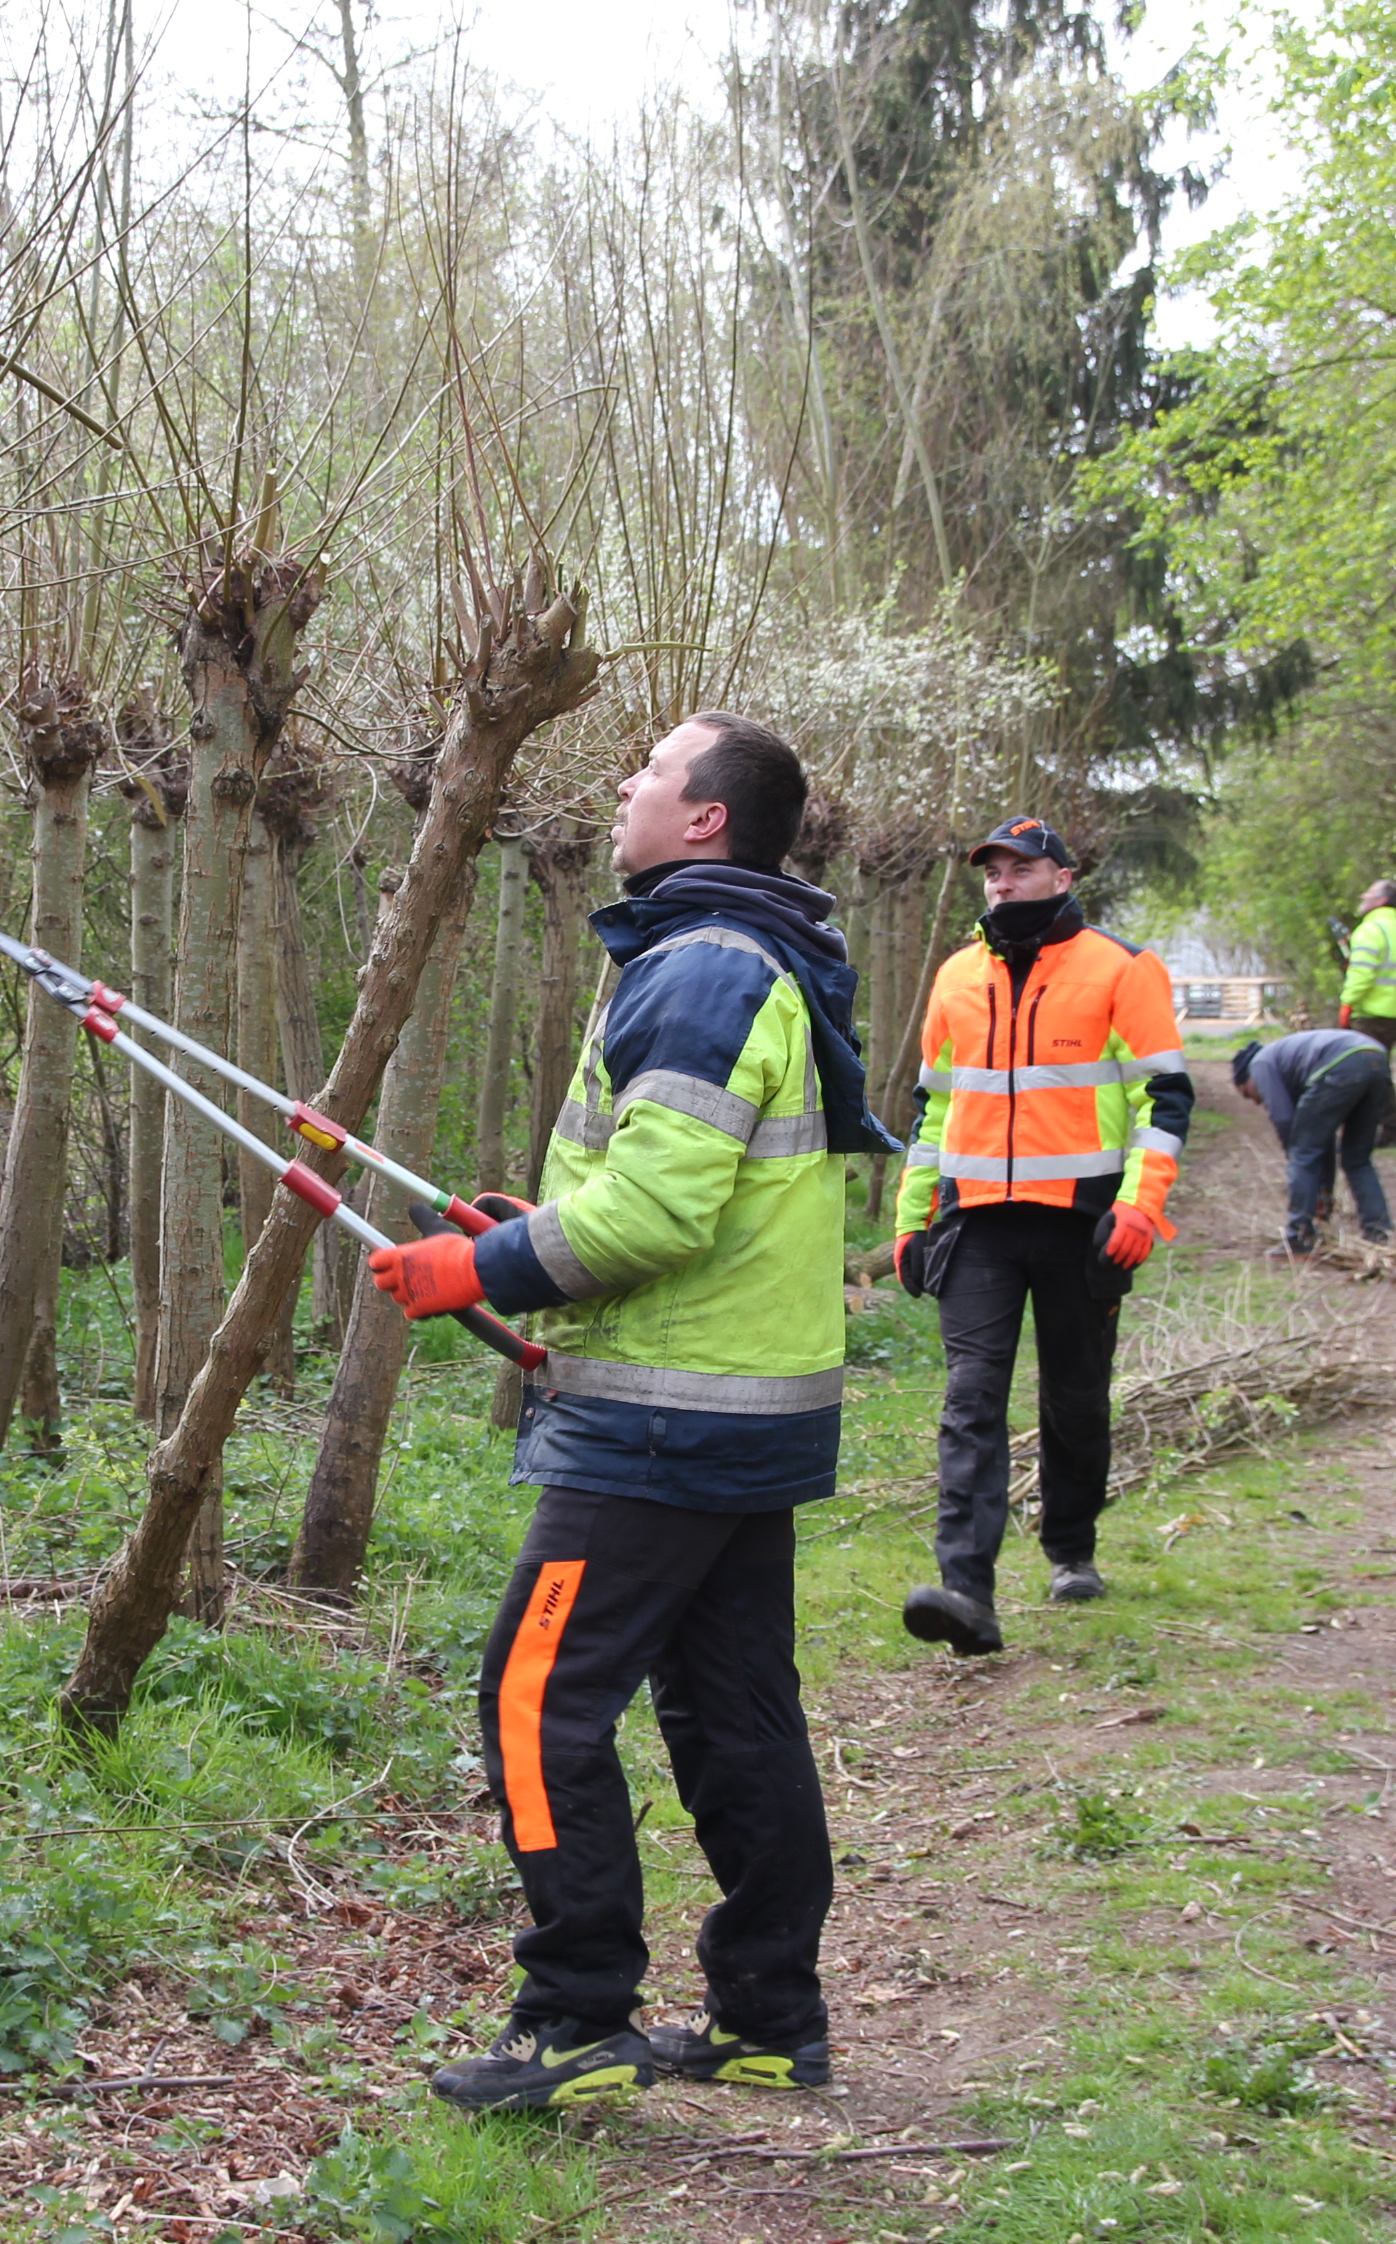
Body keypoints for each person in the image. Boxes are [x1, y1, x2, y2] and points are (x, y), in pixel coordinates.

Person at [366, 710, 901, 2113]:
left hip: (669, 1427)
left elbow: (661, 1211)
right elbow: (683, 1196)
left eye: (650, 771)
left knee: (535, 1701)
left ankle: (579, 2018)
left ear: (707, 817)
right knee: (734, 1715)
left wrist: (474, 1267)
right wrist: (536, 1231)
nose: (623, 785)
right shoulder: (746, 955)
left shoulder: (702, 967)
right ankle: (770, 2018)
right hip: (742, 1413)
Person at [887, 816, 1191, 1660]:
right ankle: (967, 1593)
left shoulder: (1122, 968)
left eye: (1021, 868)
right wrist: (912, 1220)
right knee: (970, 1402)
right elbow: (933, 1112)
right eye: (993, 871)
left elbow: (1164, 1101)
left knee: (1075, 1398)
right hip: (977, 1224)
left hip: (1085, 1223)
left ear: (1061, 876)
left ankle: (1071, 1549)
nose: (1003, 882)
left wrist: (1141, 1205)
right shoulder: (954, 977)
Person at [1232, 1028, 1395, 1255]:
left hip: (1343, 1063)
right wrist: (1322, 1190)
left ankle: (1298, 1238)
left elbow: (1284, 1120)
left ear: (1247, 1077)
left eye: (1248, 1094)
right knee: (1357, 1159)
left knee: (1303, 1154)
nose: (1256, 1102)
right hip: (1376, 1059)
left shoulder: (1260, 1064)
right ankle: (1378, 1233)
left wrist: (1298, 1163)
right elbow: (1320, 1138)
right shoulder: (1291, 1067)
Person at [1340, 878, 1396, 1147]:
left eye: (1368, 893)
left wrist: (1347, 1003)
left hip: (1368, 1013)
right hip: (1394, 1012)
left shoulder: (1370, 930)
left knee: (1358, 1074)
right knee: (1379, 1073)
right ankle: (1390, 1133)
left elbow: (1361, 974)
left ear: (1381, 900)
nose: (1363, 896)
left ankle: (1362, 1136)